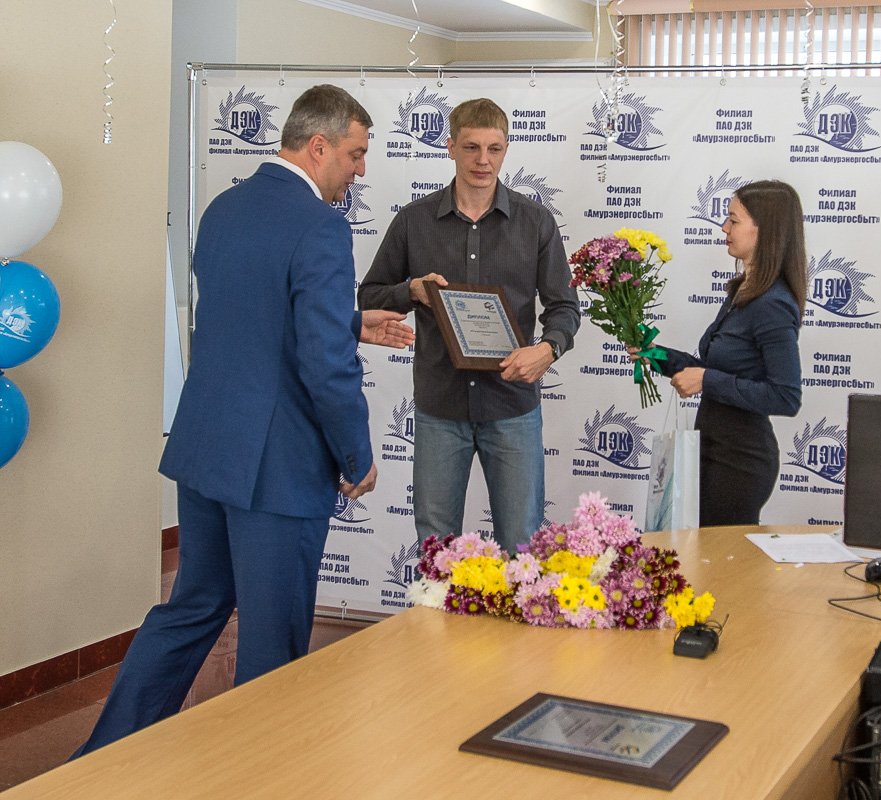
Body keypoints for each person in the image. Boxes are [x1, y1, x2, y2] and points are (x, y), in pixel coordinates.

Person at [73, 85, 414, 757]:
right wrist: (356, 454)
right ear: (318, 146)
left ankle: (99, 761)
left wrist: (351, 321)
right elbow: (323, 362)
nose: (360, 169)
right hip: (276, 465)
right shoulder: (321, 225)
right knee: (272, 640)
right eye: (355, 154)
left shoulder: (224, 208)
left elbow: (251, 315)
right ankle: (261, 774)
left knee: (190, 609)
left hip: (207, 447)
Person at [358, 98, 580, 553]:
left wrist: (548, 349)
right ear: (450, 147)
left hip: (512, 407)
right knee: (436, 547)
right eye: (472, 147)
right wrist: (411, 291)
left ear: (506, 149)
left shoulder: (536, 221)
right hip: (440, 407)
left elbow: (565, 307)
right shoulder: (414, 220)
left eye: (494, 149)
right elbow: (370, 295)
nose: (483, 160)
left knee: (522, 546)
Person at [635, 180, 805, 527]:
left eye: (734, 220)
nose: (724, 228)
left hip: (740, 464)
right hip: (714, 452)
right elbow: (712, 369)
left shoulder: (772, 304)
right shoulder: (743, 292)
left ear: (765, 230)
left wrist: (707, 381)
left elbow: (786, 396)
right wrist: (655, 355)